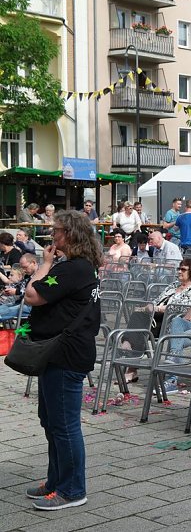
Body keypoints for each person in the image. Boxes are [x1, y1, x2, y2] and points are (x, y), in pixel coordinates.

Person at [24, 209, 102, 510]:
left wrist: (44, 264)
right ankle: (56, 479)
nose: (51, 235)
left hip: (65, 355)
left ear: (69, 234)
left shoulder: (74, 269)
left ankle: (72, 489)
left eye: (55, 230)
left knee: (65, 424)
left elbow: (33, 295)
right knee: (51, 419)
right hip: (57, 353)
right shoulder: (75, 267)